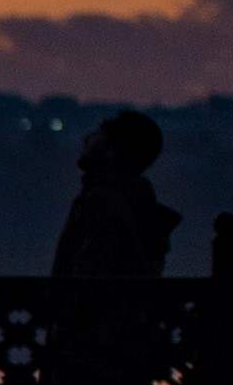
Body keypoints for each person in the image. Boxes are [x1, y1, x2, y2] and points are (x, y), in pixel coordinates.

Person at [51, 109, 180, 278]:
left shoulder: (102, 203)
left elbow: (90, 272)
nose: (87, 139)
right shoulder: (134, 201)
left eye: (98, 135)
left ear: (112, 150)